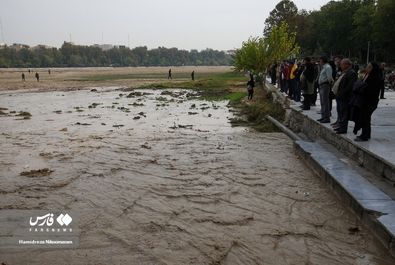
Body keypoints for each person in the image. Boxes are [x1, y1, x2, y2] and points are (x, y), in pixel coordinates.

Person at [350, 62, 381, 141]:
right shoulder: (367, 76)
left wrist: (361, 89)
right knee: (365, 118)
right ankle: (366, 134)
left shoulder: (375, 78)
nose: (367, 68)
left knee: (365, 118)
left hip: (370, 102)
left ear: (373, 69)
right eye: (367, 66)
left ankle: (364, 136)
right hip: (364, 101)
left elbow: (371, 91)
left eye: (369, 67)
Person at [332, 58, 357, 134]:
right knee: (341, 112)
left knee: (344, 113)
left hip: (345, 97)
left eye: (342, 64)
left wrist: (342, 93)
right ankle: (340, 126)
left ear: (347, 64)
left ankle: (343, 128)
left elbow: (350, 86)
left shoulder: (351, 73)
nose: (341, 65)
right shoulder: (345, 72)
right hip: (340, 96)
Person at [317, 56, 334, 123]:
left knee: (325, 102)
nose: (319, 62)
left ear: (323, 60)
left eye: (320, 60)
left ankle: (326, 118)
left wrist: (328, 84)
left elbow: (329, 78)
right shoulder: (324, 67)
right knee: (322, 102)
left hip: (325, 85)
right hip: (322, 85)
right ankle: (323, 116)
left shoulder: (328, 67)